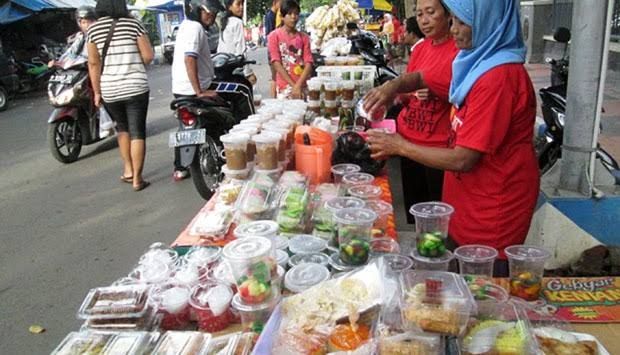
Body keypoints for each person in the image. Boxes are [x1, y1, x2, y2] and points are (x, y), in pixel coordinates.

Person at [365, 0, 539, 276]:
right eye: (454, 20)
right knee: (460, 269)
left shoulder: (499, 77)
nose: (453, 29)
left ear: (488, 23)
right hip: (467, 196)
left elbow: (464, 158)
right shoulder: (476, 61)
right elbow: (423, 76)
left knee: (484, 281)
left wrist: (399, 145)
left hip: (493, 203)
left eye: (462, 22)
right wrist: (393, 86)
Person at [171, 0, 255, 181]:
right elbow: (189, 59)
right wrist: (199, 90)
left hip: (179, 90)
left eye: (213, 13)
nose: (212, 16)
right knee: (242, 89)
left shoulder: (185, 26)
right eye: (209, 12)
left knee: (184, 127)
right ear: (198, 9)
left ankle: (179, 166)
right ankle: (247, 143)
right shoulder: (196, 29)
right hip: (197, 88)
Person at [393, 0, 458, 223]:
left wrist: (436, 90)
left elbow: (462, 96)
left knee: (436, 214)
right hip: (408, 138)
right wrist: (411, 94)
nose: (424, 20)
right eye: (420, 14)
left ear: (449, 15)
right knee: (413, 210)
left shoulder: (459, 49)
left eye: (431, 12)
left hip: (437, 147)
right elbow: (404, 94)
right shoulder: (420, 49)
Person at [87, 0, 154, 191]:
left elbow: (93, 63)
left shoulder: (93, 30)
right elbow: (148, 56)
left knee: (122, 129)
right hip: (135, 86)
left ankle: (128, 170)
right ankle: (137, 180)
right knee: (137, 131)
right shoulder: (133, 24)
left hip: (110, 89)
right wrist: (133, 62)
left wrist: (97, 92)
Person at [267, 0, 313, 99]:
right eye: (289, 13)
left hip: (302, 85)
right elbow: (276, 63)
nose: (293, 17)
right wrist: (293, 85)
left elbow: (308, 62)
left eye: (296, 13)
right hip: (284, 87)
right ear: (282, 17)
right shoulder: (274, 36)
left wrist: (298, 85)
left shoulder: (304, 37)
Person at [217, 0, 257, 85]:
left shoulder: (224, 22)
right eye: (238, 4)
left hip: (222, 69)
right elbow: (241, 50)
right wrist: (248, 73)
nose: (241, 7)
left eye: (242, 4)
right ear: (229, 6)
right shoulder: (237, 22)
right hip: (235, 69)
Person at [264, 0, 281, 98]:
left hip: (273, 49)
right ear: (275, 2)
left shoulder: (276, 15)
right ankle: (273, 99)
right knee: (274, 77)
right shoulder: (270, 16)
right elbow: (270, 35)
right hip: (272, 50)